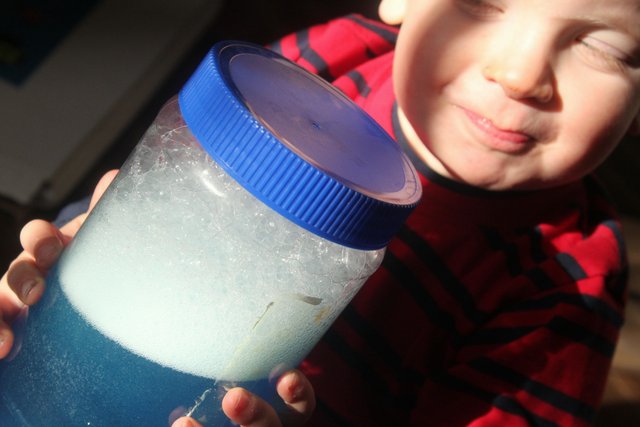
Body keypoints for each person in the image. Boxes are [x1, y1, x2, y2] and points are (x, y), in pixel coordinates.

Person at [2, 0, 639, 425]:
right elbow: (165, 175)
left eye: (607, 48)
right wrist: (81, 235)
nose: (522, 74)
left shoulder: (569, 278)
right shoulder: (319, 68)